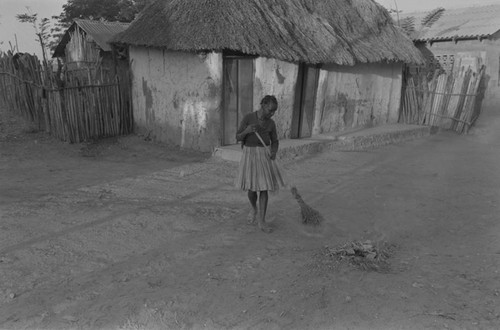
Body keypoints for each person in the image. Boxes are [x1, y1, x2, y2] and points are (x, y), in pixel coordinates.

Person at [235, 95, 286, 233]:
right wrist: (247, 131)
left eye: (274, 111)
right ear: (263, 105)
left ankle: (262, 221)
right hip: (249, 155)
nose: (272, 113)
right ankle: (253, 208)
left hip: (265, 155)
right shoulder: (248, 118)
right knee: (252, 189)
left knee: (264, 188)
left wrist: (274, 151)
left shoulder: (271, 124)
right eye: (270, 110)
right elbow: (238, 136)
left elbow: (275, 141)